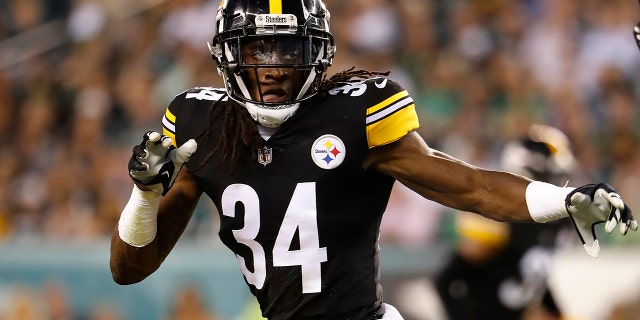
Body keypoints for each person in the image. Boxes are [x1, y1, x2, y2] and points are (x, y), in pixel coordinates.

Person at [110, 1, 638, 319]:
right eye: (258, 50)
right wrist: (143, 197)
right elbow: (129, 269)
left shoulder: (355, 112)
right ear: (229, 55)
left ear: (316, 53)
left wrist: (562, 200)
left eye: (288, 49)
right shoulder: (203, 126)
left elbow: (467, 185)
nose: (272, 68)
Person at [434, 125, 576, 320]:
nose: (556, 182)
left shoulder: (556, 224)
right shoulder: (500, 218)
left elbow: (533, 275)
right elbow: (446, 280)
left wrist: (557, 314)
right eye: (548, 175)